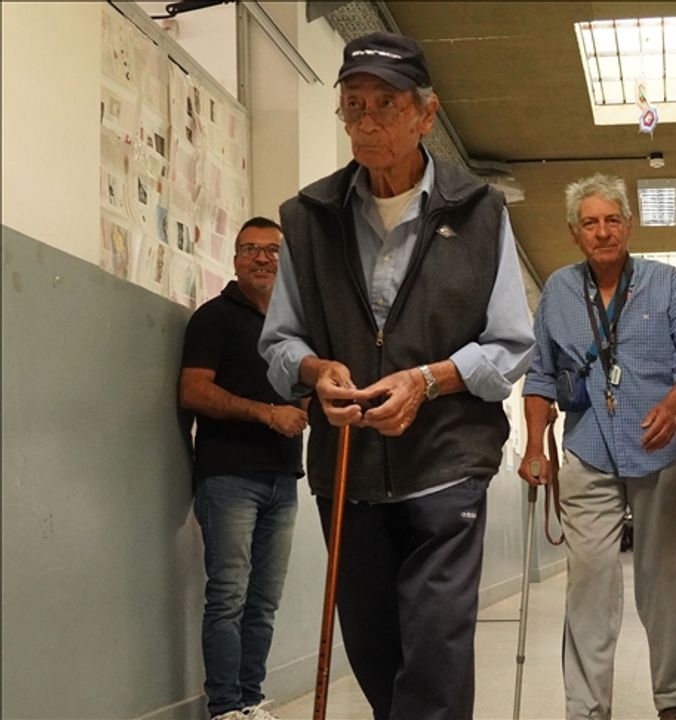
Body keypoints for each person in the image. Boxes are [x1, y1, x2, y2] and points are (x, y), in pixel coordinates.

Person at [258, 32, 534, 720]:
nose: (368, 122)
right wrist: (315, 370)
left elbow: (509, 345)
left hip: (447, 464)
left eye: (386, 104)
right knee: (377, 660)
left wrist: (429, 380)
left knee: (435, 660)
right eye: (353, 105)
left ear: (426, 114)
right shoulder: (308, 218)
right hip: (348, 472)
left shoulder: (479, 212)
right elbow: (280, 341)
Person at [520, 173, 676, 720]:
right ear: (574, 232)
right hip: (588, 450)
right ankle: (585, 710)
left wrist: (674, 405)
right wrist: (534, 446)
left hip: (660, 449)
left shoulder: (664, 282)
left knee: (666, 582)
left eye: (611, 220)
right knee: (589, 582)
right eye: (589, 223)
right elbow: (539, 375)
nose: (602, 232)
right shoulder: (558, 291)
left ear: (629, 225)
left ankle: (674, 703)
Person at [179, 217, 306, 720]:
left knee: (264, 601)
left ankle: (251, 700)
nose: (262, 258)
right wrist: (267, 413)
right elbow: (193, 391)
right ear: (235, 260)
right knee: (228, 597)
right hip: (228, 478)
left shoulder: (292, 331)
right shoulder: (214, 318)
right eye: (250, 249)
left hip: (283, 479)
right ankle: (225, 707)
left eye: (272, 250)